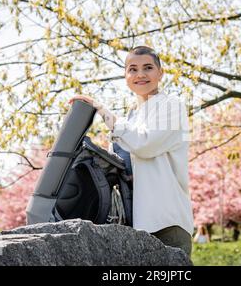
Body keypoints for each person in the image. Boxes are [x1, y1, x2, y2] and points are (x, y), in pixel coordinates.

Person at [69, 45, 194, 257]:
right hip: (135, 225)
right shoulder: (131, 117)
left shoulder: (171, 106)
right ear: (126, 75)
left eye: (148, 67)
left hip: (166, 222)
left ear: (160, 73)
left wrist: (103, 111)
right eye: (133, 69)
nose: (140, 74)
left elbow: (145, 144)